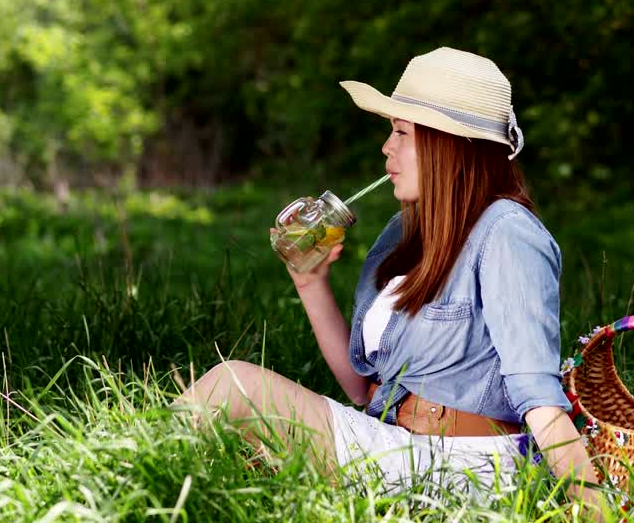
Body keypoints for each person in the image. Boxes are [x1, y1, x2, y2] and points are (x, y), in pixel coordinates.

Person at [172, 47, 601, 512]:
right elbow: (361, 389)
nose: (386, 147)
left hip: (469, 468)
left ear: (448, 142)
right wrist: (309, 283)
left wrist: (596, 510)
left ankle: (121, 467)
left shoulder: (507, 231)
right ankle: (138, 473)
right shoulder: (406, 230)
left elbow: (539, 398)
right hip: (394, 443)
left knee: (236, 384)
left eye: (401, 132)